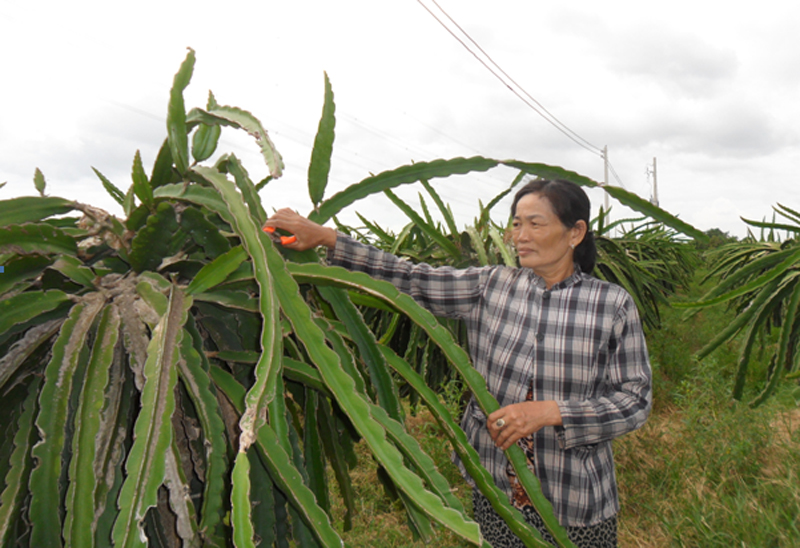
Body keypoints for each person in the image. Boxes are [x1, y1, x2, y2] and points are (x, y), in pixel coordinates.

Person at [264, 179, 652, 548]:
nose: (520, 236)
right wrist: (328, 238)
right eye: (516, 224)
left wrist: (553, 412)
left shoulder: (612, 305)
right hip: (497, 491)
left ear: (575, 233)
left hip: (576, 498)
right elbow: (410, 277)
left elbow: (635, 399)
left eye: (536, 224)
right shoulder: (492, 285)